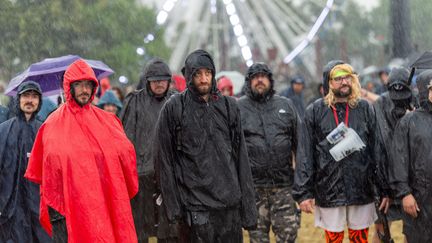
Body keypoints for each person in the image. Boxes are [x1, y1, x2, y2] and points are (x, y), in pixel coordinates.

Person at [24, 59, 139, 243]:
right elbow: (47, 172)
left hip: (105, 204)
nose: (85, 90)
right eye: (79, 85)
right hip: (67, 212)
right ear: (69, 87)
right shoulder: (52, 125)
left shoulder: (108, 122)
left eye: (88, 85)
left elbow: (126, 161)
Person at [154, 49, 257, 243]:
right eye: (198, 74)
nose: (203, 79)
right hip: (195, 208)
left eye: (207, 73)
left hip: (229, 207)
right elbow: (164, 160)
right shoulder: (175, 107)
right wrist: (174, 208)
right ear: (189, 76)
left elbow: (241, 159)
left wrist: (249, 210)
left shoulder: (229, 106)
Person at [293, 60, 390, 243]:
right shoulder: (315, 111)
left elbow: (377, 148)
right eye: (338, 78)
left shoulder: (364, 108)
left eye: (347, 77)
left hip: (361, 187)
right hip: (328, 188)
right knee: (334, 239)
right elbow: (305, 153)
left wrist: (384, 189)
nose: (344, 82)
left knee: (359, 239)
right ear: (328, 82)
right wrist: (303, 192)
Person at [238, 63, 305, 243]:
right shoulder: (238, 108)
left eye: (264, 76)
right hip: (253, 190)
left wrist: (303, 183)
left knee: (288, 236)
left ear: (270, 80)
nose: (260, 80)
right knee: (257, 239)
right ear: (249, 81)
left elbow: (301, 147)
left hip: (284, 187)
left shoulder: (286, 105)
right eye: (255, 77)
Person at [120, 58, 178, 243]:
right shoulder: (134, 102)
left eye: (162, 79)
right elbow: (126, 139)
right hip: (141, 177)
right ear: (147, 81)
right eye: (155, 80)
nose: (159, 83)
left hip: (170, 179)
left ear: (168, 81)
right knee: (139, 232)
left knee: (170, 232)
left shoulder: (177, 102)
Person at [0, 81, 52, 243]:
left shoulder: (45, 131)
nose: (30, 100)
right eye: (26, 96)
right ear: (18, 99)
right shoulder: (4, 130)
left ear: (39, 101)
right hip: (10, 208)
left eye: (34, 96)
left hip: (37, 208)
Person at [388, 69, 432, 242]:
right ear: (423, 90)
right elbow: (398, 161)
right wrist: (405, 193)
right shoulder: (408, 122)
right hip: (418, 198)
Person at [372, 67, 414, 243]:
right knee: (381, 231)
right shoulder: (379, 105)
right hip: (383, 177)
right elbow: (377, 148)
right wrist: (382, 189)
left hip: (410, 180)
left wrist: (413, 118)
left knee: (412, 230)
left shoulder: (416, 103)